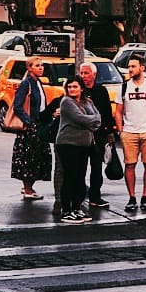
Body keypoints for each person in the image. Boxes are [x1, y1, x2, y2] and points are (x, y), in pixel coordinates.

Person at [114, 55, 146, 214]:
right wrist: (121, 131)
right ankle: (132, 197)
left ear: (142, 68)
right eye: (129, 67)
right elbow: (118, 111)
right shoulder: (123, 87)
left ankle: (145, 197)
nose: (130, 69)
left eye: (133, 66)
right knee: (129, 164)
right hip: (130, 132)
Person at [54, 75, 100, 224]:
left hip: (84, 144)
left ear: (81, 88)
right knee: (70, 177)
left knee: (80, 177)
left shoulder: (87, 101)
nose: (72, 89)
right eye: (70, 87)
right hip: (68, 143)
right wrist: (92, 120)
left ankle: (76, 207)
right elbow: (79, 118)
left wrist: (92, 120)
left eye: (75, 86)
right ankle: (66, 210)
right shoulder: (66, 102)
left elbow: (98, 117)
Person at [10, 58, 52, 201]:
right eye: (37, 66)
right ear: (29, 68)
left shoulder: (38, 83)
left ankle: (29, 186)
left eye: (42, 65)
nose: (41, 68)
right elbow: (17, 106)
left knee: (40, 157)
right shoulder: (26, 84)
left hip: (40, 124)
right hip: (30, 128)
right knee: (29, 159)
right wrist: (29, 122)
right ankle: (27, 188)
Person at [78, 61, 115, 208]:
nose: (83, 76)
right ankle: (79, 197)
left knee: (96, 167)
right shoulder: (78, 91)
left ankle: (95, 196)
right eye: (81, 73)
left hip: (98, 135)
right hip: (81, 135)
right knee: (80, 167)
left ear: (94, 74)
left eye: (86, 73)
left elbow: (106, 111)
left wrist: (110, 131)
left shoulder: (101, 91)